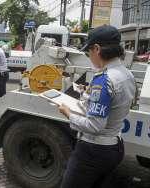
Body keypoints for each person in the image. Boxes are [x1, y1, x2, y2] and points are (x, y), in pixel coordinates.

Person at [58, 25, 136, 188]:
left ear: (97, 49)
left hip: (93, 151)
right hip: (115, 146)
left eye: (88, 52)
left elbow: (94, 126)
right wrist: (89, 94)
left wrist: (68, 113)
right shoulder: (127, 74)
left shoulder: (103, 79)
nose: (89, 56)